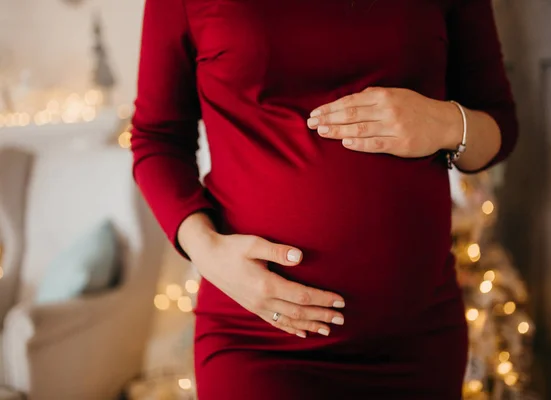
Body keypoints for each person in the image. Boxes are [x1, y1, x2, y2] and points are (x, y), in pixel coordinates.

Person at [130, 0, 518, 398]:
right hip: (258, 337)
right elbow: (156, 138)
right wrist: (205, 250)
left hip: (418, 339)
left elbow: (499, 125)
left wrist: (446, 123)